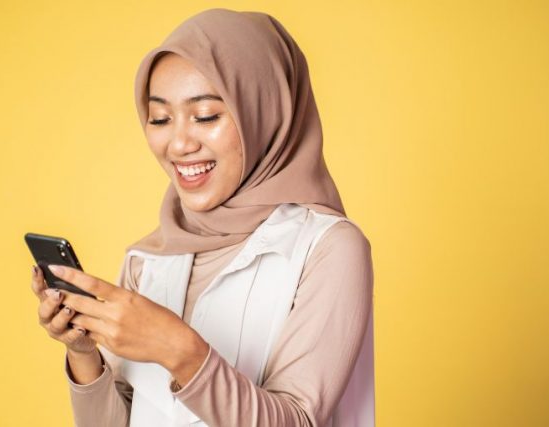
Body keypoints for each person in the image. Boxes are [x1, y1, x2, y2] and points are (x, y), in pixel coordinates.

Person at [30, 8, 375, 427]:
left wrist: (178, 349)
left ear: (263, 112)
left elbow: (299, 419)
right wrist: (84, 353)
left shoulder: (328, 248)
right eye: (159, 118)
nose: (178, 143)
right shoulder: (148, 258)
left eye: (206, 115)